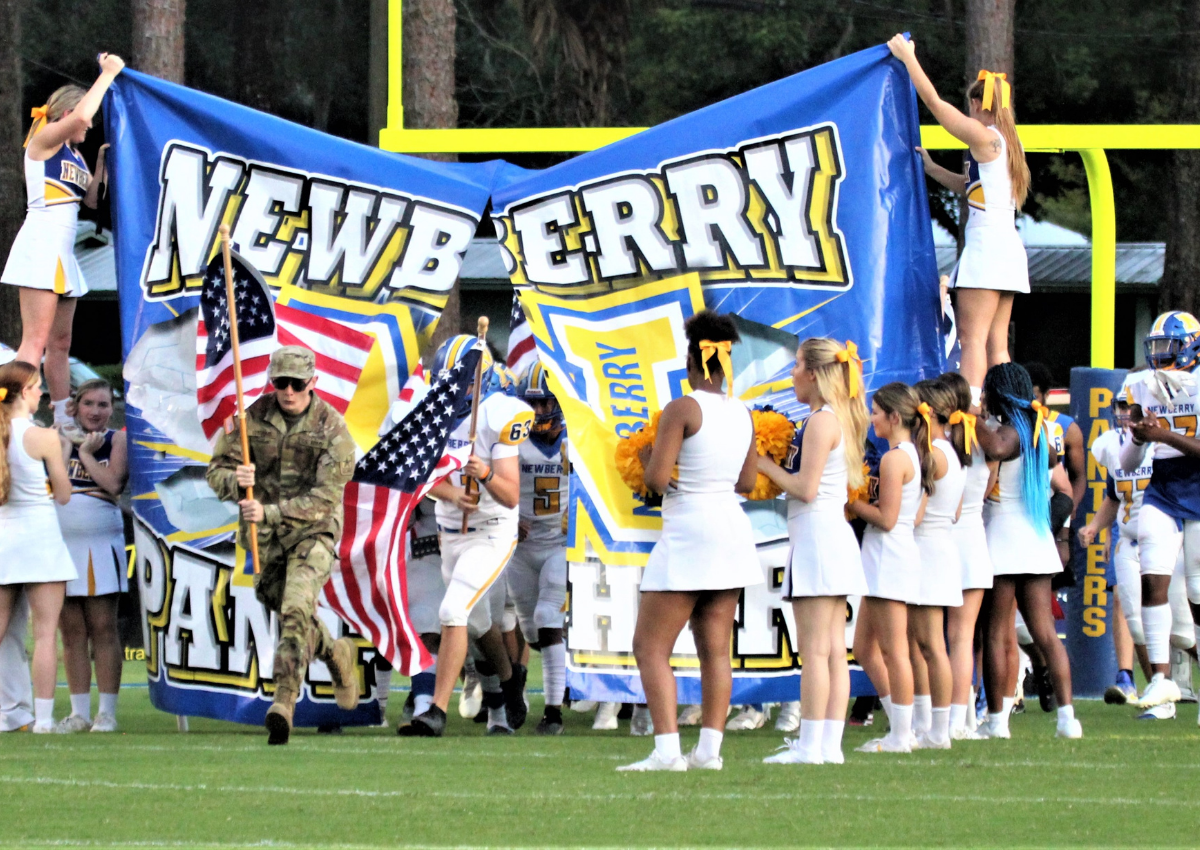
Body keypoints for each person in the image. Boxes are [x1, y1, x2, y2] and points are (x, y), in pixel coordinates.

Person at [618, 311, 760, 772]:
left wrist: (646, 457)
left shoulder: (682, 408)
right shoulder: (743, 412)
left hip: (690, 529)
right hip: (732, 529)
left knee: (650, 646)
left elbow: (657, 480)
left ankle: (667, 753)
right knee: (715, 648)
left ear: (691, 361)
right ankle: (709, 753)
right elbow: (747, 482)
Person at [206, 346, 360, 745]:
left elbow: (325, 500)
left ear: (313, 383)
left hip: (314, 534)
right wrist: (235, 480)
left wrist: (269, 512)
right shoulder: (249, 421)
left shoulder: (334, 430)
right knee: (293, 612)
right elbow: (215, 472)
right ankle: (335, 652)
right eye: (280, 384)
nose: (288, 392)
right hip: (267, 543)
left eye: (296, 384)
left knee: (295, 610)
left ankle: (284, 703)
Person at [401, 335, 533, 738]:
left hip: (491, 533)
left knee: (452, 610)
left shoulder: (498, 415)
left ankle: (436, 711)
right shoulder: (433, 412)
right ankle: (509, 684)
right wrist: (452, 491)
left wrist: (486, 474)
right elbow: (419, 475)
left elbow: (510, 496)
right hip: (449, 533)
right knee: (478, 623)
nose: (452, 390)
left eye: (461, 381)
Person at [887, 34, 1030, 406]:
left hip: (986, 247)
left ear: (981, 104)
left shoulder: (986, 137)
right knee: (998, 345)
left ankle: (970, 414)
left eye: (971, 103)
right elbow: (973, 190)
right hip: (1007, 247)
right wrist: (933, 169)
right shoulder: (1007, 143)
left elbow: (935, 104)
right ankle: (1007, 410)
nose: (968, 110)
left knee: (972, 340)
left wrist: (908, 58)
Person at [758, 338, 869, 765]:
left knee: (816, 652)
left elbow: (805, 489)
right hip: (828, 536)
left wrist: (765, 464)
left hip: (819, 536)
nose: (792, 374)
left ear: (815, 374)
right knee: (832, 652)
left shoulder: (821, 421)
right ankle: (827, 746)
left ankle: (811, 746)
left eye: (797, 366)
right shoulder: (831, 418)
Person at [0, 55, 123, 425]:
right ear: (67, 111)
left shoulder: (74, 154)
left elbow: (90, 198)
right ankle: (10, 415)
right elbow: (83, 117)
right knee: (33, 342)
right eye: (83, 119)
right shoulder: (44, 139)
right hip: (41, 243)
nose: (89, 128)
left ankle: (62, 420)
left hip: (62, 251)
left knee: (60, 344)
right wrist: (108, 74)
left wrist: (101, 160)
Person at [976, 363, 1082, 739]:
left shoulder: (1012, 430)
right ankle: (1067, 718)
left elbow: (998, 447)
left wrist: (973, 418)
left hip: (1007, 536)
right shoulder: (1039, 428)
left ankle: (997, 721)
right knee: (1042, 634)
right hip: (1034, 539)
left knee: (999, 633)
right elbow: (1054, 469)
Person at [1119, 312, 1200, 717]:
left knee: (1198, 592)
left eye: (1167, 347)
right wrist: (1137, 437)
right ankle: (1161, 681)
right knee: (1152, 576)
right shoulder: (1141, 387)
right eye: (1155, 348)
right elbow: (1128, 460)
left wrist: (1163, 434)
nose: (1160, 356)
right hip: (1164, 486)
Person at [848, 383, 931, 754]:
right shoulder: (907, 455)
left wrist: (852, 503)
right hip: (885, 558)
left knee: (896, 651)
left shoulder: (896, 458)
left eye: (877, 412)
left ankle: (901, 735)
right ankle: (901, 724)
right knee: (864, 647)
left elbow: (889, 518)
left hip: (889, 559)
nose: (872, 418)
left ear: (895, 417)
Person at [0, 361, 74, 733]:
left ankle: (13, 714)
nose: (42, 393)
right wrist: (60, 447)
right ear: (23, 392)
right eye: (37, 387)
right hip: (41, 539)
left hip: (3, 539)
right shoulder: (42, 436)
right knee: (46, 634)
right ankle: (43, 722)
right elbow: (63, 494)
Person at [53, 379, 128, 733]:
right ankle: (79, 712)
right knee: (71, 632)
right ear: (76, 407)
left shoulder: (117, 440)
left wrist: (84, 456)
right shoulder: (58, 437)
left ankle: (107, 712)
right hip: (59, 548)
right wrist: (64, 448)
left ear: (112, 409)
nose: (96, 412)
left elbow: (113, 484)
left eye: (103, 405)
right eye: (89, 404)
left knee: (103, 628)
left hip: (100, 547)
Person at [511, 361, 570, 736]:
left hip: (560, 544)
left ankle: (553, 712)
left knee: (548, 616)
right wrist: (507, 514)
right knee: (531, 630)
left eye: (545, 404)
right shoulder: (512, 440)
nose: (537, 413)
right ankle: (558, 675)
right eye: (531, 404)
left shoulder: (576, 441)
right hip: (520, 546)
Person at [909, 380, 968, 749]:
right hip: (940, 547)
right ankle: (928, 725)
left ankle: (937, 729)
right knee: (926, 643)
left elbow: (915, 516)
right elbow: (956, 511)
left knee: (931, 644)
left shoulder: (932, 452)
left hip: (927, 551)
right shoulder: (954, 451)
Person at [941, 372, 991, 738]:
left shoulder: (940, 445)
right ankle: (963, 718)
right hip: (975, 540)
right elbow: (988, 488)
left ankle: (946, 718)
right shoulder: (983, 440)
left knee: (938, 637)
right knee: (963, 638)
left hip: (945, 539)